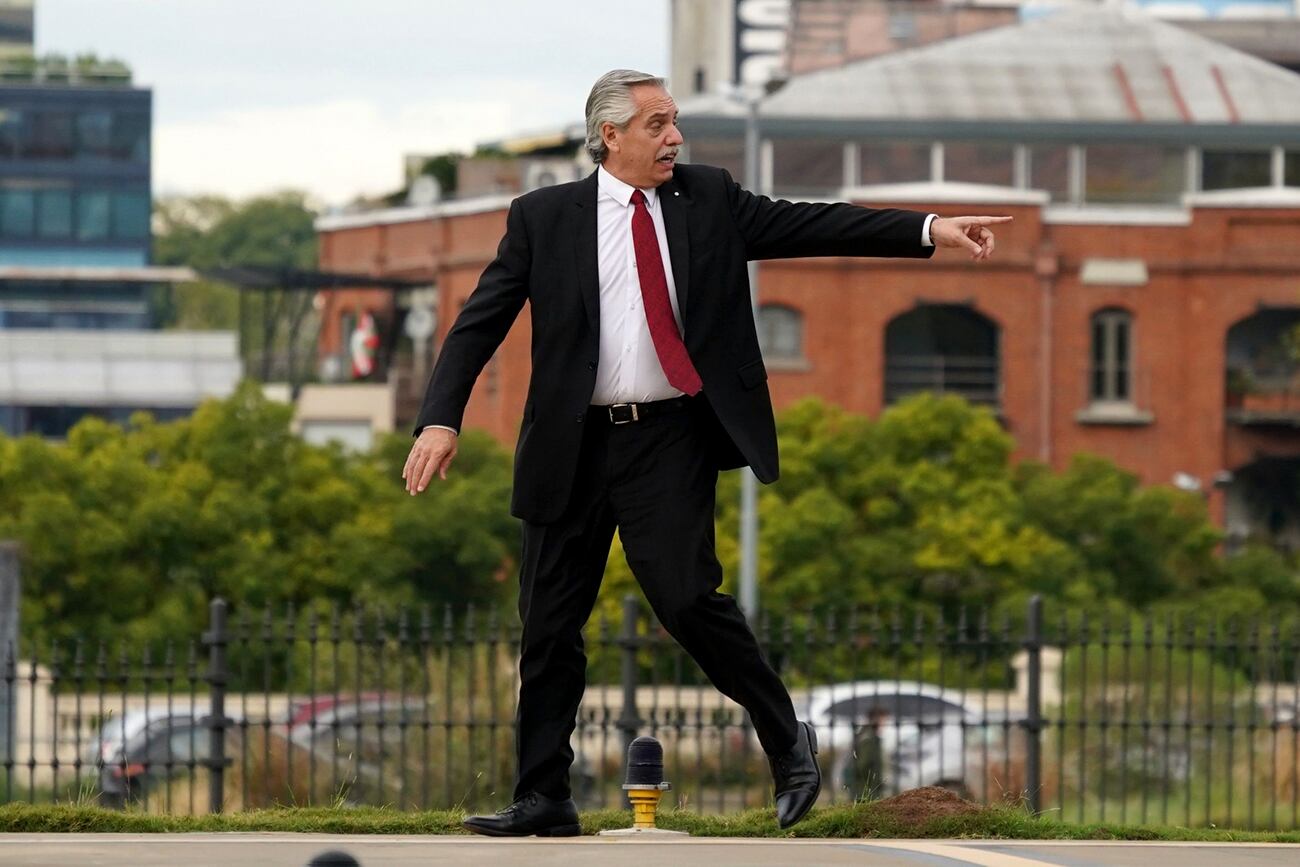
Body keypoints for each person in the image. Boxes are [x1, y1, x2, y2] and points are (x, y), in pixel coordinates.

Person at [402, 69, 1011, 836]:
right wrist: (439, 418)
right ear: (610, 135)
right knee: (548, 624)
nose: (675, 137)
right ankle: (544, 796)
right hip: (572, 443)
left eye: (675, 121)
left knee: (687, 599)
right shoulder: (543, 218)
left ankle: (787, 736)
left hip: (670, 436)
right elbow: (477, 321)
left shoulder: (710, 200)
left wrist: (928, 230)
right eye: (657, 124)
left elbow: (813, 224)